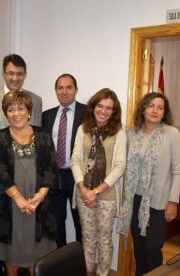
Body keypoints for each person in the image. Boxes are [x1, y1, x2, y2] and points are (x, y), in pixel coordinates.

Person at [0, 91, 58, 276]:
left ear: (29, 111)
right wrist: (19, 199)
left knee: (37, 252)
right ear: (5, 114)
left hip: (39, 204)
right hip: (10, 203)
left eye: (21, 108)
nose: (16, 113)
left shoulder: (43, 134)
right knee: (12, 252)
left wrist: (40, 197)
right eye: (10, 109)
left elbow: (51, 167)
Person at [117, 92, 180, 276]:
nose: (155, 110)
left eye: (160, 107)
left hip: (159, 203)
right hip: (134, 201)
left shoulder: (172, 134)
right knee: (139, 250)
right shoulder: (132, 134)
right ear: (143, 108)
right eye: (151, 105)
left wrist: (173, 202)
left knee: (152, 250)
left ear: (164, 112)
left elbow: (178, 170)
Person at [71, 88, 126, 276]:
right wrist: (84, 189)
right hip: (83, 193)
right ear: (93, 107)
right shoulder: (82, 129)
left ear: (114, 111)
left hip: (107, 194)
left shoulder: (119, 132)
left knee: (104, 239)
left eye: (108, 108)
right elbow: (76, 160)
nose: (103, 111)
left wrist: (96, 191)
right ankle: (86, 272)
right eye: (100, 106)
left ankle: (102, 274)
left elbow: (119, 166)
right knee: (88, 238)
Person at [42, 73, 86, 247]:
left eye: (69, 87)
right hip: (55, 178)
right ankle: (60, 262)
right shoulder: (47, 115)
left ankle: (80, 262)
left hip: (78, 177)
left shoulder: (87, 112)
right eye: (60, 88)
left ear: (76, 89)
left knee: (80, 223)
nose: (64, 92)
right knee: (57, 223)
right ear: (55, 91)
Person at [0, 53, 42, 136]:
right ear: (4, 74)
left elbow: (37, 135)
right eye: (11, 73)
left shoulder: (35, 100)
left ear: (25, 75)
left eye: (19, 74)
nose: (15, 78)